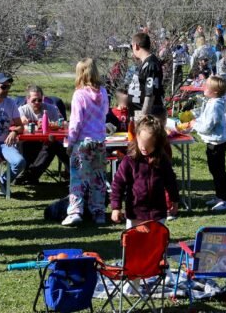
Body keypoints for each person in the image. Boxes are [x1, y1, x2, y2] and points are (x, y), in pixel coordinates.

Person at [61, 59, 109, 226]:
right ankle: (98, 212)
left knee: (78, 178)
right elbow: (105, 113)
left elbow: (76, 122)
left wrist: (70, 142)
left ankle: (75, 211)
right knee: (98, 179)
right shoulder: (103, 92)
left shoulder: (79, 94)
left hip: (82, 143)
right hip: (99, 141)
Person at [109, 115, 179, 228]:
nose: (144, 148)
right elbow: (118, 184)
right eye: (142, 144)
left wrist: (174, 200)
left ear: (157, 144)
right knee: (134, 238)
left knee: (156, 238)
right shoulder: (129, 160)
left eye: (149, 146)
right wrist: (116, 207)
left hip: (157, 213)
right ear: (136, 138)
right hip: (135, 212)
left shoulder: (162, 160)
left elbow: (171, 181)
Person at [190, 76, 226, 212]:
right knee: (214, 170)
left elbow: (207, 127)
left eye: (207, 86)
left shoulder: (215, 105)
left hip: (217, 143)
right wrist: (193, 123)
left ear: (215, 91)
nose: (204, 88)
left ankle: (224, 200)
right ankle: (219, 197)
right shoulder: (211, 102)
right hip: (213, 142)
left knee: (219, 172)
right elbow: (203, 119)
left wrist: (194, 125)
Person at [15, 85, 65, 186]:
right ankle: (29, 174)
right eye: (34, 100)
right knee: (22, 143)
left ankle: (30, 175)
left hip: (45, 141)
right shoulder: (22, 110)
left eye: (39, 100)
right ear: (28, 99)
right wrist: (26, 124)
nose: (37, 102)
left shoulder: (51, 109)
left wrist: (51, 125)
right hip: (28, 142)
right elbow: (19, 127)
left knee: (53, 145)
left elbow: (60, 125)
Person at [128, 32, 166, 121]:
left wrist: (143, 116)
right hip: (138, 114)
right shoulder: (145, 63)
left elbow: (150, 94)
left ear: (136, 46)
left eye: (131, 47)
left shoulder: (151, 65)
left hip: (148, 116)